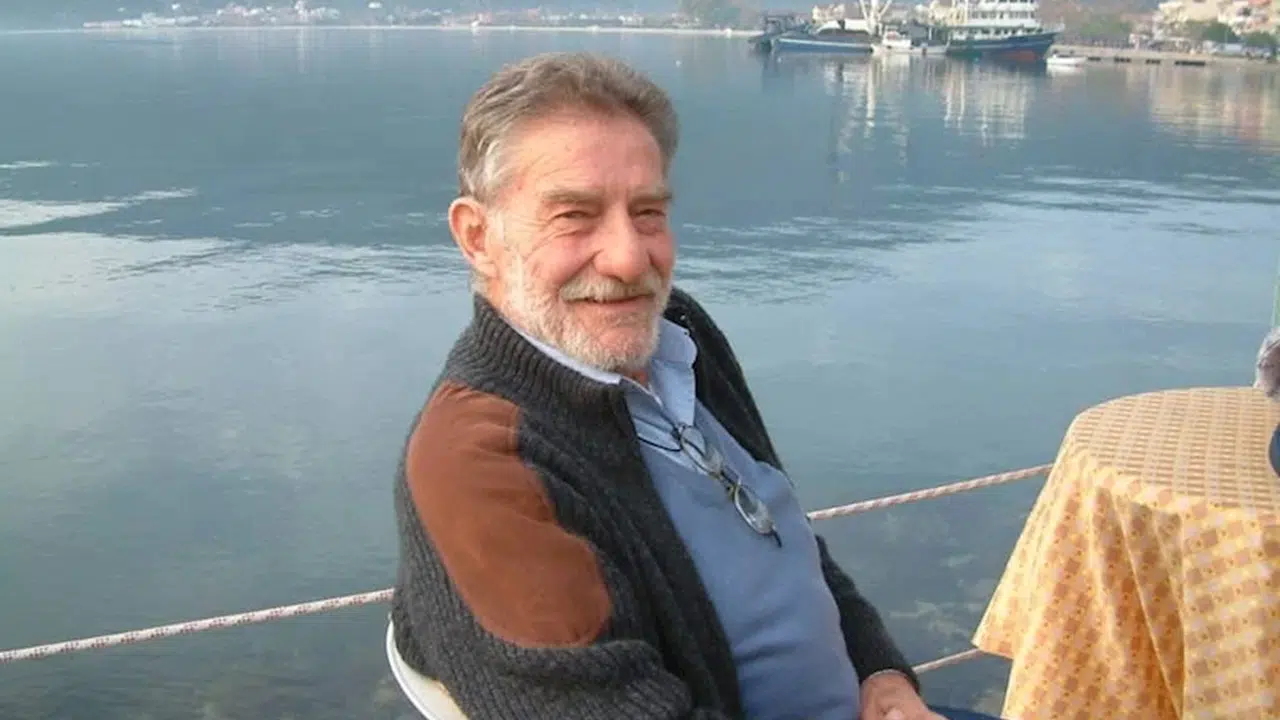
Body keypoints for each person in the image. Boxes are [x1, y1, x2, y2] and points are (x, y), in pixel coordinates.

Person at [391, 51, 968, 720]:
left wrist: (883, 676)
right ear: (477, 237)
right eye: (574, 215)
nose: (629, 257)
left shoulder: (678, 336)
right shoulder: (483, 463)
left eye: (647, 213)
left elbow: (786, 544)